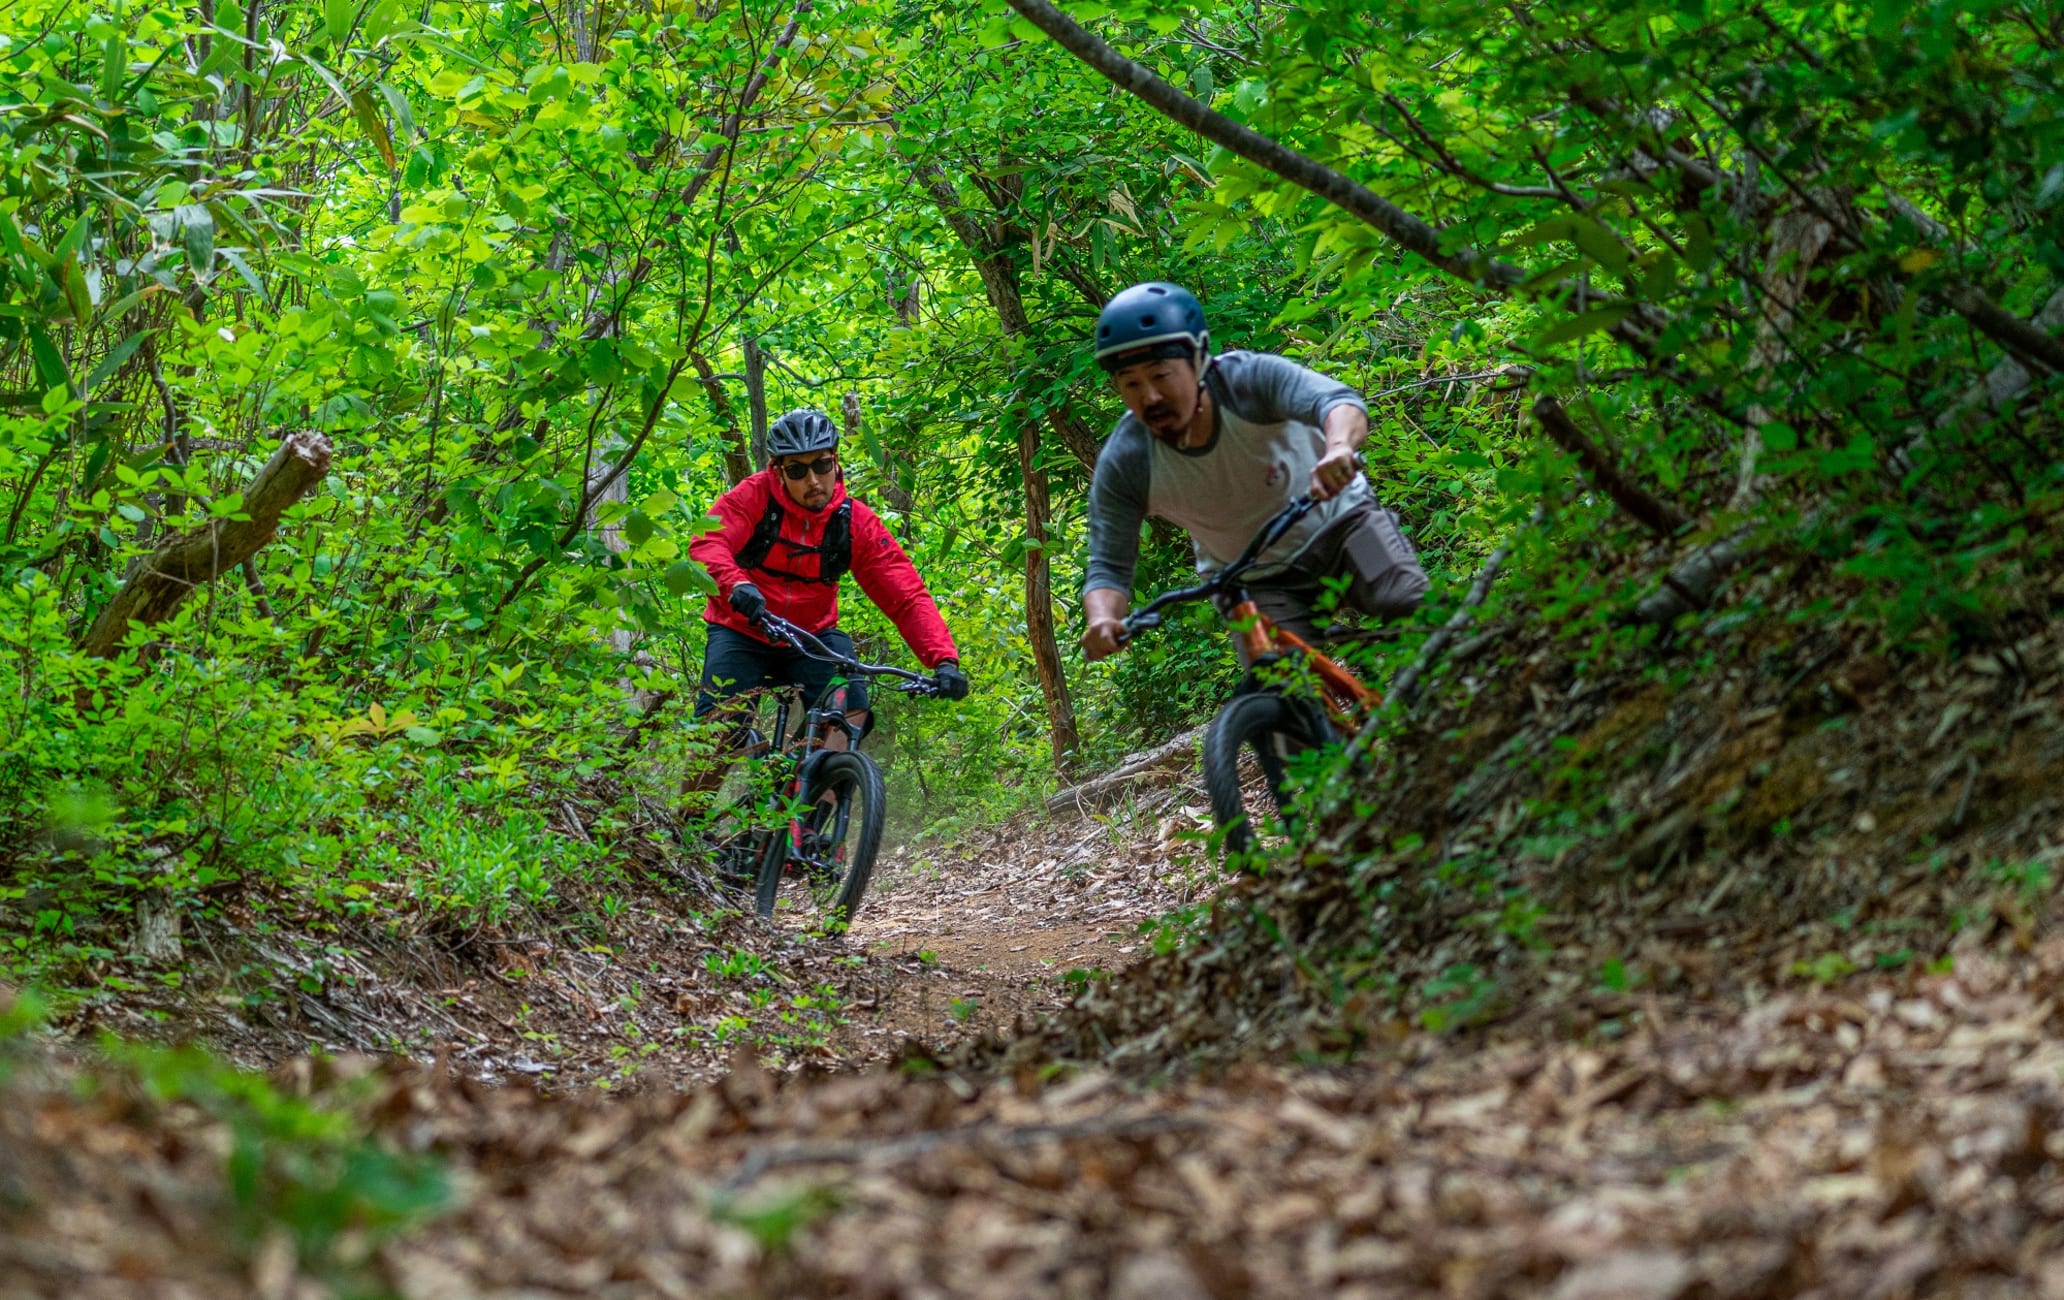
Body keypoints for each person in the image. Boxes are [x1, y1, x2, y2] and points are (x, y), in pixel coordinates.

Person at [1079, 282, 1428, 666]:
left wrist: (1340, 448)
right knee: (1278, 686)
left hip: (1346, 524)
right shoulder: (1128, 460)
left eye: (1160, 376)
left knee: (1410, 605)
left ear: (1198, 360)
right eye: (1130, 384)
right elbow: (1109, 565)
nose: (1150, 397)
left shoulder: (1247, 382)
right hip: (1252, 581)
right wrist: (1102, 619)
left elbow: (1337, 403)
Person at [685, 408, 968, 792]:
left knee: (849, 711)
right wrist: (736, 585)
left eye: (821, 465)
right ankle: (686, 837)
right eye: (798, 470)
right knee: (722, 724)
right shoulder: (753, 497)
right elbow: (708, 541)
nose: (813, 479)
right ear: (779, 470)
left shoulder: (855, 523)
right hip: (742, 629)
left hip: (810, 636)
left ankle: (806, 826)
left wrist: (944, 660)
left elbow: (905, 595)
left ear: (835, 462)